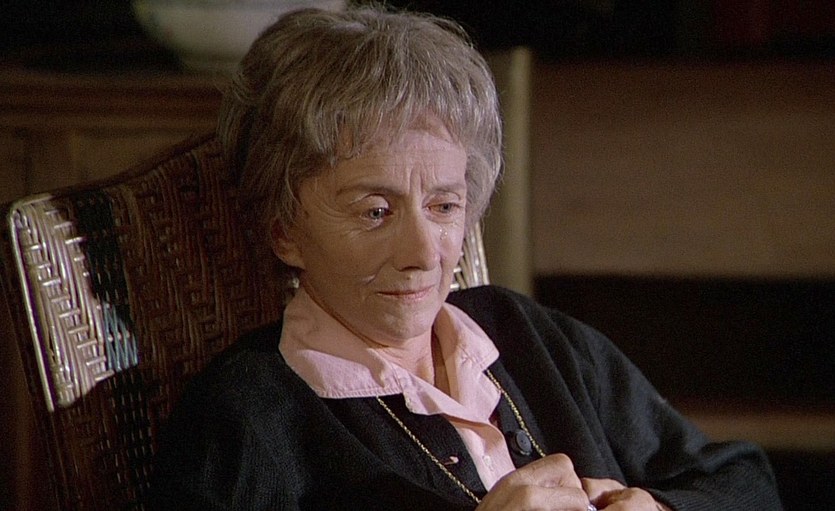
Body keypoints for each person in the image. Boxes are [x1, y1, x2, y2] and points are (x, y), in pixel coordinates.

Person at [148, 5, 782, 511]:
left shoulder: (526, 335)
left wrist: (658, 507)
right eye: (376, 212)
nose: (425, 253)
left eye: (445, 206)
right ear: (284, 229)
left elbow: (745, 481)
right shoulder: (245, 422)